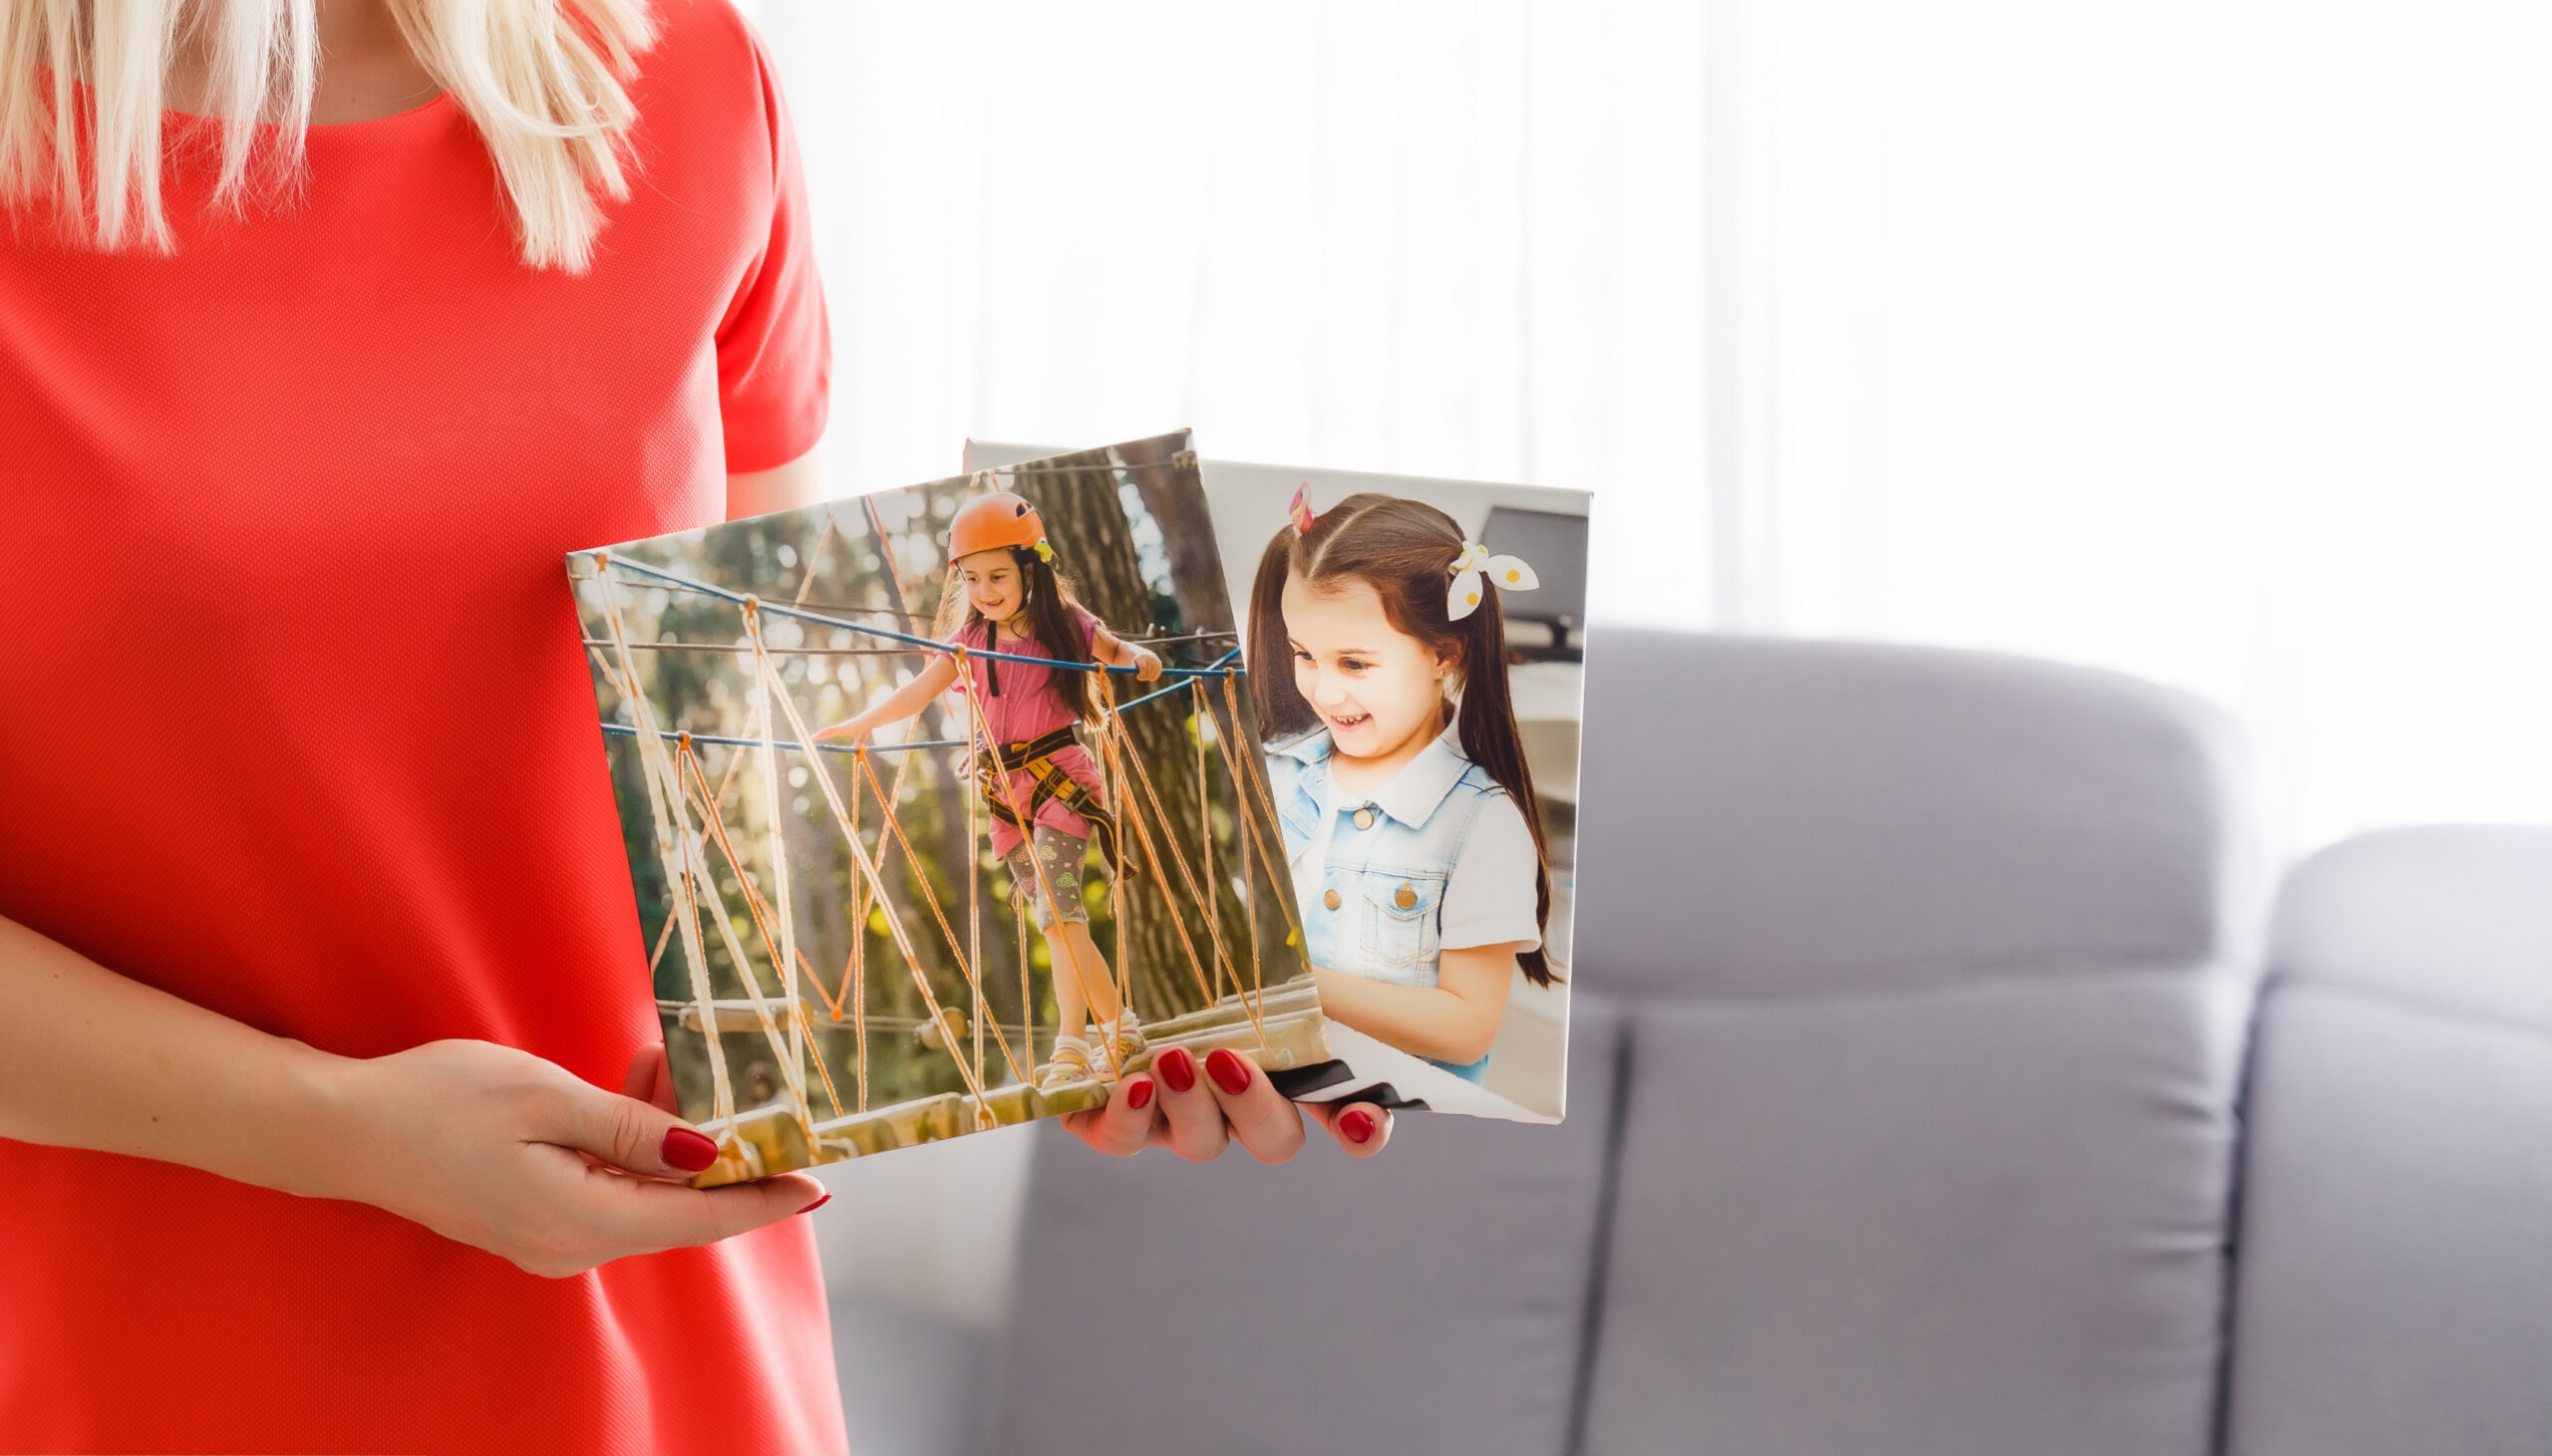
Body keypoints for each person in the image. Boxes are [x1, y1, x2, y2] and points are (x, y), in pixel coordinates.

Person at [0, 4, 1388, 1451]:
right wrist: (337, 1132)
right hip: (125, 1370)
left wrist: (1043, 1034)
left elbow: (750, 791)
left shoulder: (682, 79)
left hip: (661, 1366)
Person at [813, 490, 1158, 1091]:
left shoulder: (1071, 626)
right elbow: (918, 692)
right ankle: (1074, 1043)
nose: (985, 590)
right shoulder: (971, 640)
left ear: (1033, 568)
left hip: (1061, 779)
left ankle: (1119, 1027)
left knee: (1058, 906)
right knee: (1057, 922)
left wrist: (1141, 657)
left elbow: (1117, 650)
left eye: (997, 576)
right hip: (1009, 796)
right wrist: (862, 723)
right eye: (972, 579)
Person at [1247, 488, 1561, 1082]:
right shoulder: (1276, 772)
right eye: (1303, 653)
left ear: (1444, 654)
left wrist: (1288, 985)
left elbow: (1465, 1031)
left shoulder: (1483, 824)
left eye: (1356, 664)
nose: (1323, 691)